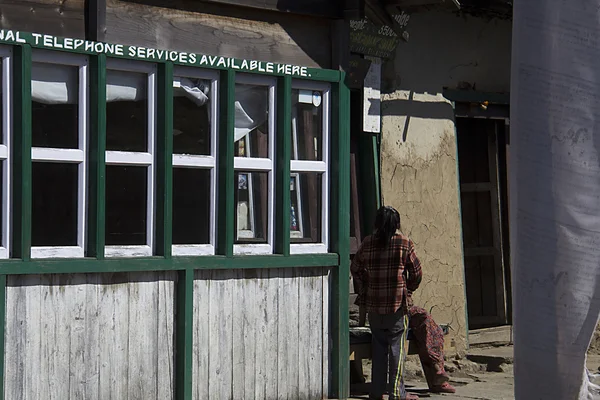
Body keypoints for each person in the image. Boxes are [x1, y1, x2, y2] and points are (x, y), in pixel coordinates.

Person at [351, 206, 422, 400]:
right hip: (397, 306)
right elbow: (416, 273)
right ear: (397, 224)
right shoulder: (404, 243)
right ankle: (396, 394)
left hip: (374, 306)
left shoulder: (368, 243)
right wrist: (408, 289)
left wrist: (367, 282)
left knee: (380, 349)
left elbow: (355, 267)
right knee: (396, 350)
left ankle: (376, 392)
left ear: (377, 224)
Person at [407, 293, 456, 394]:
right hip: (391, 310)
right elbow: (415, 278)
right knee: (424, 319)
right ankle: (437, 369)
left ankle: (437, 371)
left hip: (401, 308)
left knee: (430, 328)